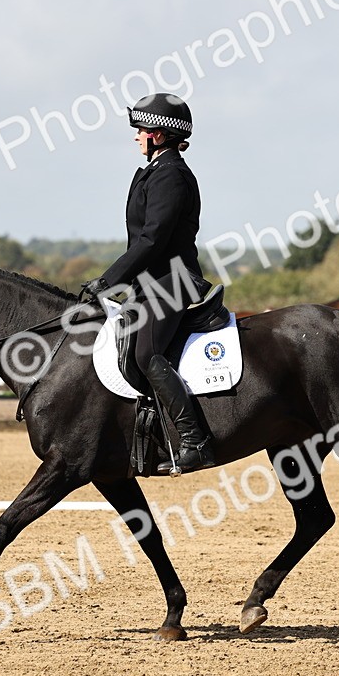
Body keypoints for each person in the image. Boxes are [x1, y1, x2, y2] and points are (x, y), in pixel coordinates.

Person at [80, 93, 215, 473]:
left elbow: (153, 239)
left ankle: (195, 441)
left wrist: (109, 280)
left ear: (159, 134)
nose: (137, 136)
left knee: (146, 354)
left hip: (173, 281)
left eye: (141, 129)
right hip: (152, 283)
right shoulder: (154, 172)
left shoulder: (171, 175)